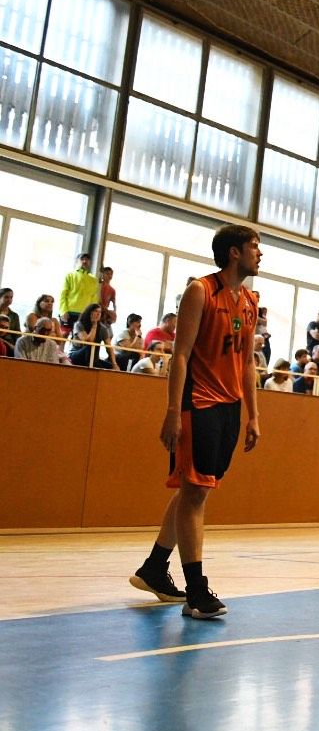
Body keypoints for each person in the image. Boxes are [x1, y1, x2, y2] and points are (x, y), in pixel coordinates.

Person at [129, 224, 262, 621]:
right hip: (198, 402)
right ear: (234, 252)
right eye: (255, 246)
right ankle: (196, 591)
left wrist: (253, 413)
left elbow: (248, 361)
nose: (260, 253)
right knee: (195, 493)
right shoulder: (201, 291)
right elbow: (181, 355)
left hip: (230, 407)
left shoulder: (250, 300)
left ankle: (155, 567)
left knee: (194, 490)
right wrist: (172, 411)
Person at [58, 252, 99, 331]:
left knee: (81, 339)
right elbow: (63, 294)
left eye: (87, 260)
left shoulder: (93, 280)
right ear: (77, 261)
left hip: (85, 314)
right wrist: (63, 311)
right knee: (63, 336)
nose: (84, 261)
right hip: (69, 312)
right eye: (82, 259)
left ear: (90, 262)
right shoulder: (70, 275)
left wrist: (93, 313)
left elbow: (94, 298)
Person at [67, 302, 115, 369]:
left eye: (100, 312)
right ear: (89, 312)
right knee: (90, 347)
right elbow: (88, 341)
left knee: (111, 367)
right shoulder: (79, 324)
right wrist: (94, 325)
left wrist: (114, 364)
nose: (98, 314)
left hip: (93, 359)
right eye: (95, 311)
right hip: (76, 355)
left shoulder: (103, 328)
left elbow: (109, 348)